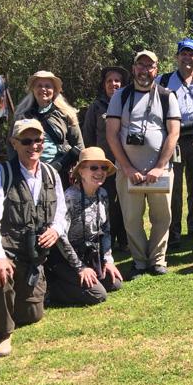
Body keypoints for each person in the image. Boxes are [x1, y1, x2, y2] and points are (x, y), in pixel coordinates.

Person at [0, 119, 66, 357]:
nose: (33, 146)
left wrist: (56, 229)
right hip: (7, 252)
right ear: (14, 143)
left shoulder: (51, 173)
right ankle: (2, 333)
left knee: (32, 315)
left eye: (38, 140)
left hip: (32, 258)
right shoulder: (0, 174)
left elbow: (62, 212)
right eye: (26, 141)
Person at [106, 50, 181, 279]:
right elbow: (112, 134)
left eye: (150, 66)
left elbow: (173, 133)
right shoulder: (120, 96)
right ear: (133, 68)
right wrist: (127, 168)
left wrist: (159, 166)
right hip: (128, 171)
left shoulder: (167, 96)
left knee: (162, 217)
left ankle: (157, 260)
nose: (144, 70)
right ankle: (139, 261)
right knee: (131, 218)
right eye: (141, 65)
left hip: (159, 171)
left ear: (156, 69)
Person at [156, 38, 193, 248]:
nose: (187, 58)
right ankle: (174, 231)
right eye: (183, 53)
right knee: (174, 187)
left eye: (191, 54)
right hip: (173, 139)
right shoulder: (163, 81)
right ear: (177, 57)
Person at [45, 147, 124, 305]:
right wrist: (80, 268)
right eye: (93, 167)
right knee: (98, 295)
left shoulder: (102, 194)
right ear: (81, 171)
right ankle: (50, 289)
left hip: (89, 254)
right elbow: (61, 238)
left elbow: (106, 230)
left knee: (114, 283)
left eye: (103, 168)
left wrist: (108, 260)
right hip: (65, 259)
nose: (100, 172)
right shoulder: (70, 197)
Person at [83, 65, 130, 251]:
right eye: (109, 81)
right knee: (107, 204)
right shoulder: (96, 107)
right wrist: (91, 165)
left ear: (123, 84)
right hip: (104, 167)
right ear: (104, 85)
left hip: (126, 163)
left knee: (126, 204)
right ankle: (107, 241)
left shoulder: (130, 104)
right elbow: (88, 137)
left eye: (117, 80)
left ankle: (125, 241)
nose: (113, 84)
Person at [13, 70, 84, 188]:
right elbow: (12, 145)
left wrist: (79, 170)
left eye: (47, 86)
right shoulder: (22, 115)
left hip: (61, 171)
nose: (43, 89)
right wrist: (15, 169)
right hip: (28, 172)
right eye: (39, 85)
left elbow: (79, 146)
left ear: (55, 90)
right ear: (33, 89)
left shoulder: (66, 114)